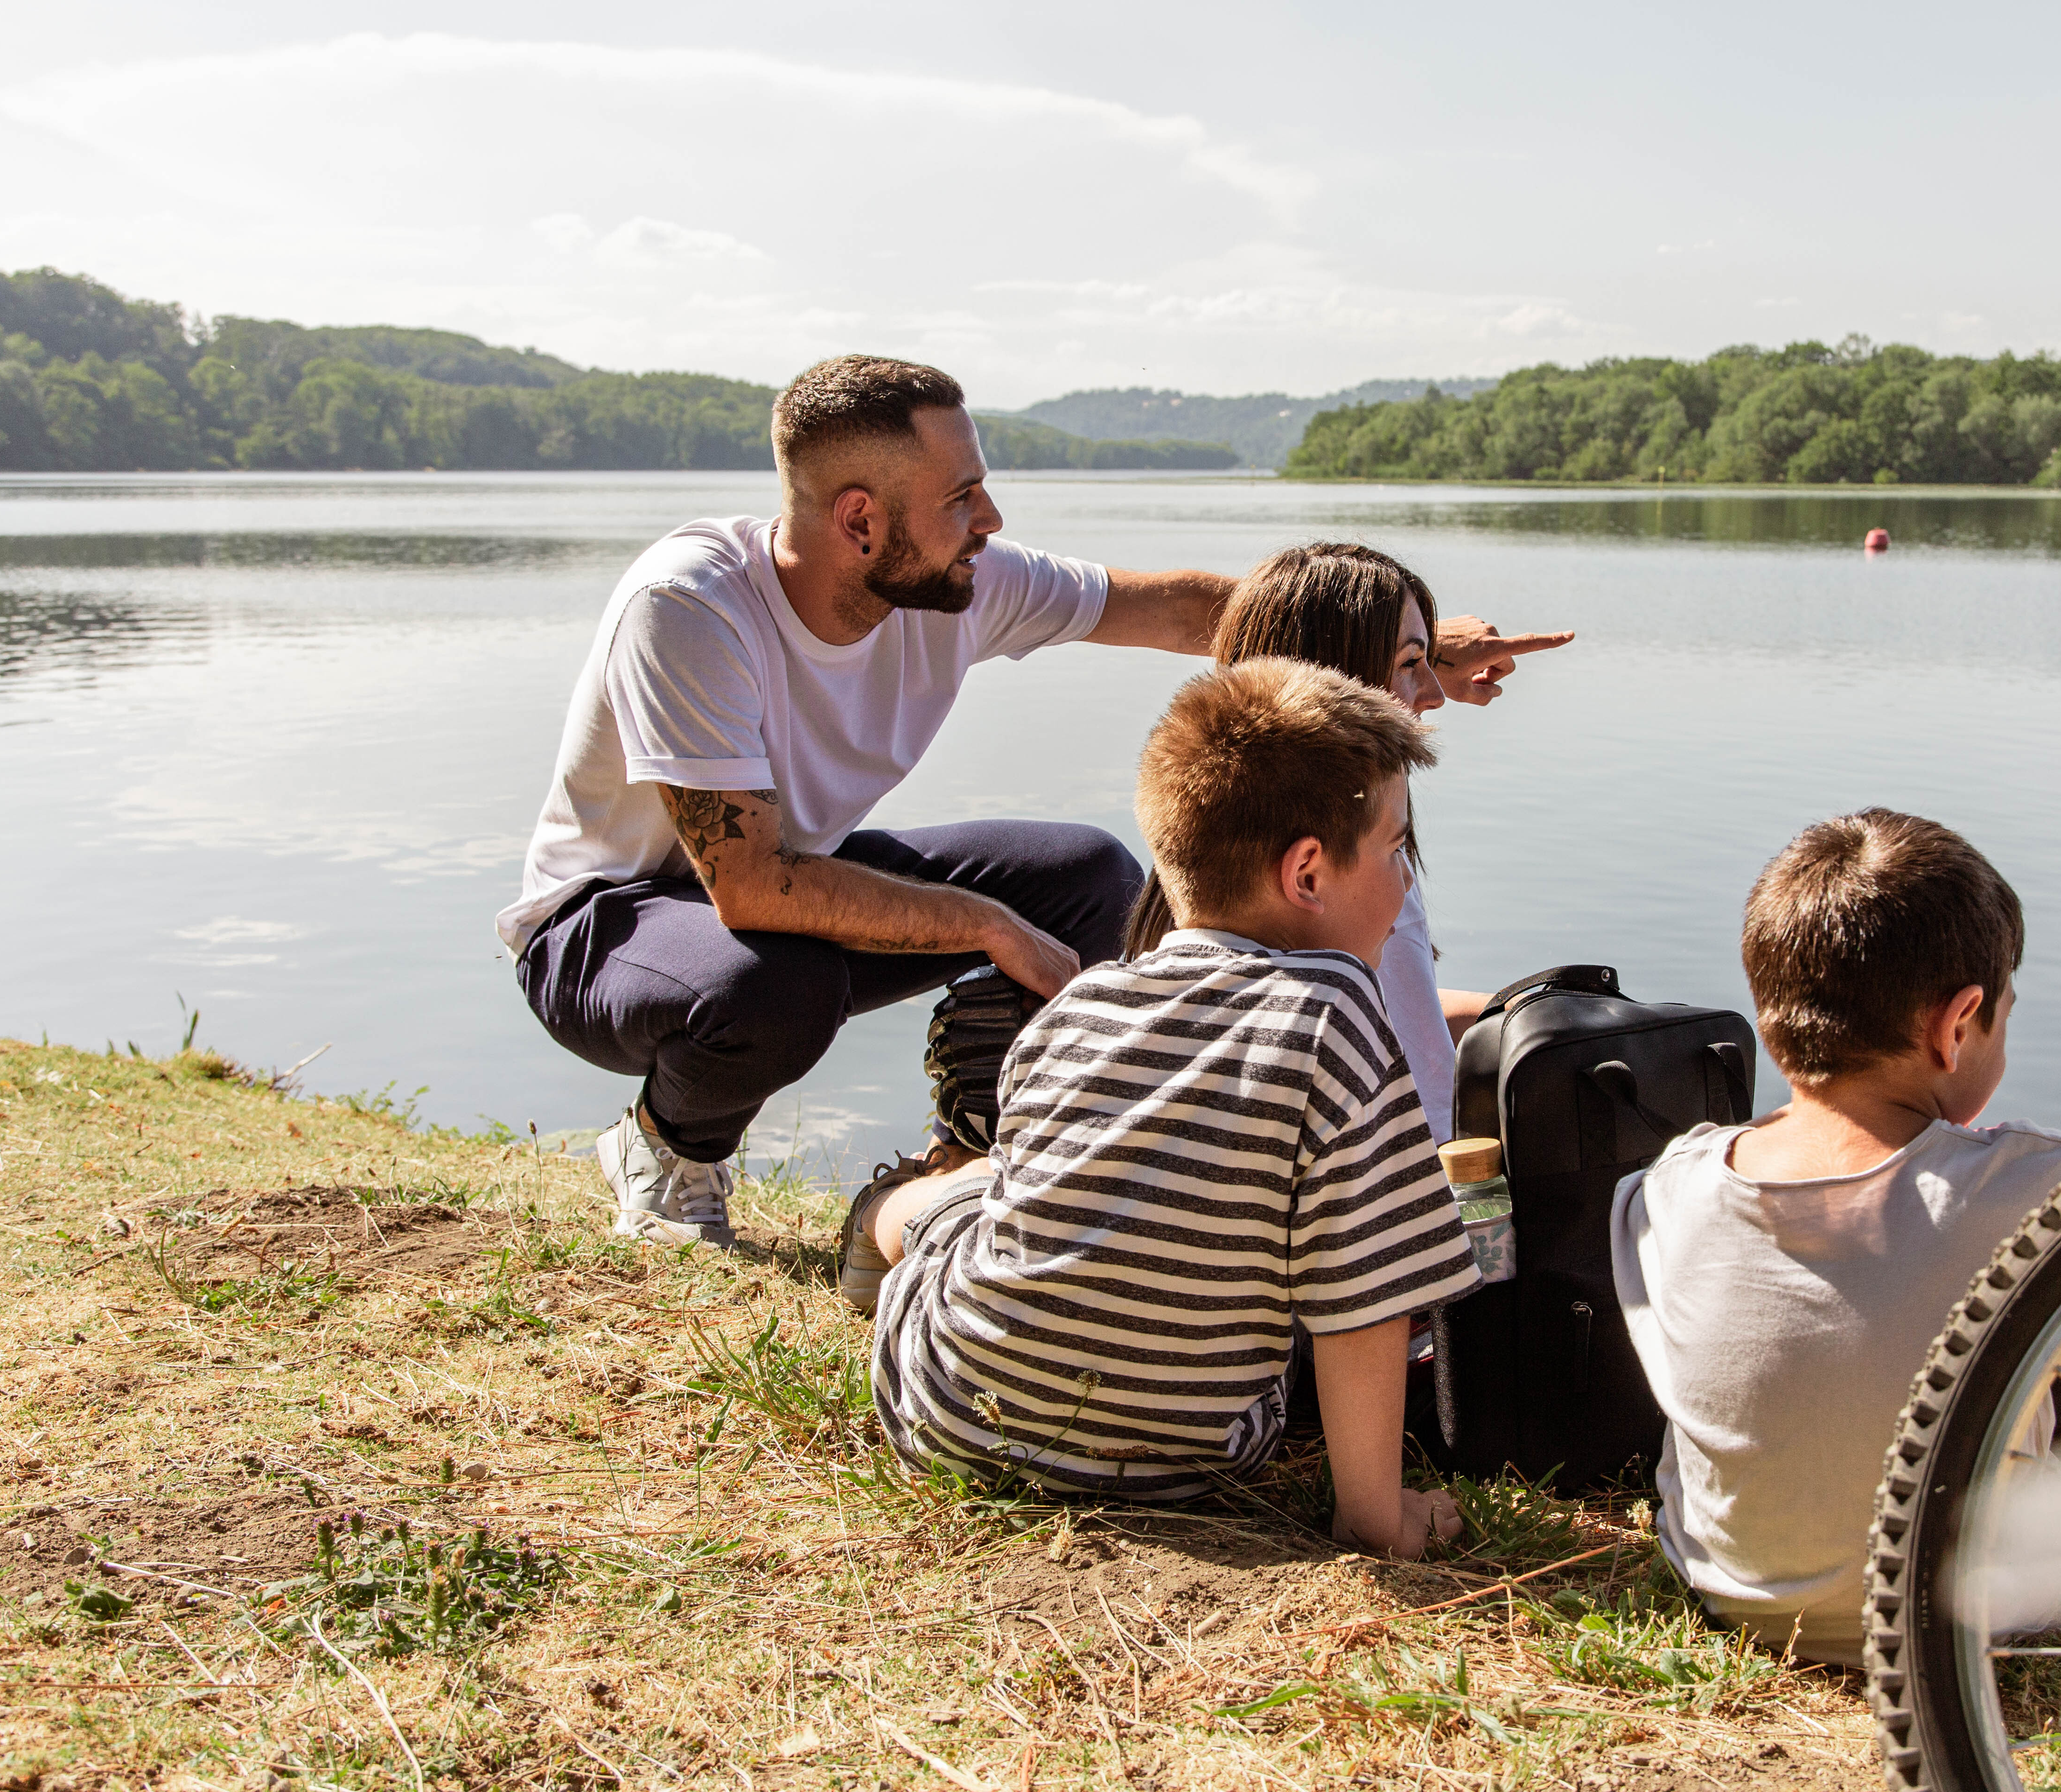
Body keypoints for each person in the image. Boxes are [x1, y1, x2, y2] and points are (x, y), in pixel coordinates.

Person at [496, 356, 1237, 1244]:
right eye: (961, 497)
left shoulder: (959, 583)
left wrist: (1380, 633)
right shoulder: (689, 605)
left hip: (777, 883)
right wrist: (988, 927)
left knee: (1089, 876)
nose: (990, 520)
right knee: (778, 985)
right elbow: (751, 888)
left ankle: (973, 1157)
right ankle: (667, 1149)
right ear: (859, 520)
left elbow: (1181, 613)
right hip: (602, 927)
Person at [855, 659, 1483, 1556]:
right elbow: (1364, 1298)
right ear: (1307, 873)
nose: (1404, 882)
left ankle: (887, 1208)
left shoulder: (1078, 1004)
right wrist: (1377, 1521)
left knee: (975, 1196)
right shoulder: (1337, 1013)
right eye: (1394, 851)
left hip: (955, 1420)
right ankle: (886, 1208)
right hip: (1183, 1465)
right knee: (959, 1203)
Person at [1610, 808, 2061, 1666]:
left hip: (1733, 1597)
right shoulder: (2039, 1184)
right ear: (1957, 1023)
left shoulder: (1670, 1184)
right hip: (1968, 1617)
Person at [1122, 542, 1572, 1141]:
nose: (1435, 694)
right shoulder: (1348, 870)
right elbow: (1361, 1035)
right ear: (1336, 679)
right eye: (1411, 663)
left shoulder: (1217, 857)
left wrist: (1519, 1011)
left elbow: (1392, 1008)